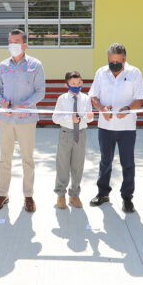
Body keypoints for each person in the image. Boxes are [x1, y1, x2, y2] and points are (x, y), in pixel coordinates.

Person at [0, 29, 46, 213]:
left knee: (27, 159)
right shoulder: (3, 66)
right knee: (4, 158)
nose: (12, 44)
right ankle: (2, 194)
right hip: (6, 119)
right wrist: (2, 102)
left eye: (16, 41)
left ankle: (28, 196)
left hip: (26, 119)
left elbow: (40, 91)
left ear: (24, 44)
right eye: (10, 41)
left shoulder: (35, 65)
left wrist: (25, 105)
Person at [88, 43, 143, 213]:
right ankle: (103, 193)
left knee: (128, 163)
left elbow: (140, 99)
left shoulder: (134, 73)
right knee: (105, 161)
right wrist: (101, 108)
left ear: (124, 59)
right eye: (111, 61)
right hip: (105, 126)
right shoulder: (101, 72)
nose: (114, 64)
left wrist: (128, 109)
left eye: (117, 61)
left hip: (127, 127)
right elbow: (94, 96)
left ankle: (127, 198)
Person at [51, 71, 94, 209]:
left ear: (81, 82)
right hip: (66, 132)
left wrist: (89, 116)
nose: (76, 85)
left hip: (80, 133)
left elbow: (89, 118)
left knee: (78, 165)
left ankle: (74, 194)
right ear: (66, 84)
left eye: (78, 83)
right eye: (73, 83)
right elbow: (55, 118)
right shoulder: (62, 99)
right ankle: (61, 194)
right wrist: (70, 118)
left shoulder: (86, 98)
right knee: (63, 164)